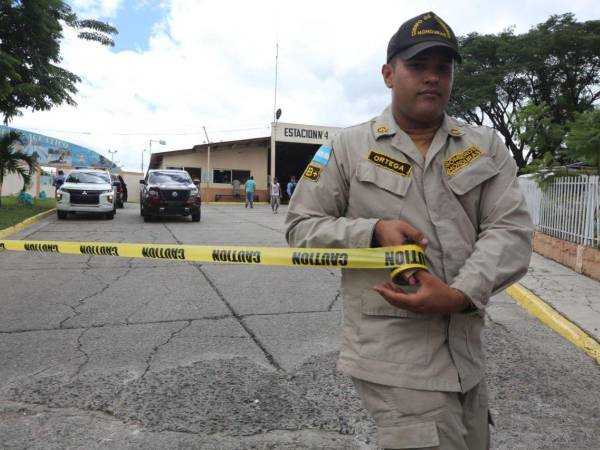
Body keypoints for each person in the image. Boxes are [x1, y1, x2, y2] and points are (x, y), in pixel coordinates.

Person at [286, 11, 533, 450]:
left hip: (466, 356)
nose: (432, 78)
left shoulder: (485, 147)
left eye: (443, 68)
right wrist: (372, 230)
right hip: (393, 359)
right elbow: (302, 228)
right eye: (418, 66)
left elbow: (509, 230)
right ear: (388, 74)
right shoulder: (346, 148)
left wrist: (460, 295)